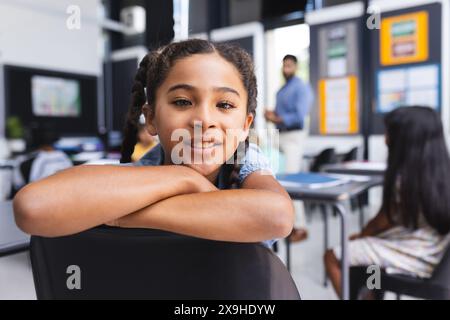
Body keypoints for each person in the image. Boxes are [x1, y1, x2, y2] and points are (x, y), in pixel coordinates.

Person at [13, 39, 295, 249]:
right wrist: (183, 177)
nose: (204, 120)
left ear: (245, 126)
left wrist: (126, 215)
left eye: (224, 104)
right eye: (182, 101)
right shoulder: (148, 165)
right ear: (151, 119)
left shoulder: (244, 158)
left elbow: (278, 217)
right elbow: (32, 207)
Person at [324, 106, 450, 299]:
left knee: (333, 256)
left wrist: (361, 236)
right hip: (436, 253)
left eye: (389, 133)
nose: (385, 139)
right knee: (371, 258)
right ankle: (371, 296)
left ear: (407, 140)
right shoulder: (439, 173)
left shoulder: (404, 179)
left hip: (416, 256)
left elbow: (381, 222)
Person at [265, 54, 314, 243]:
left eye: (289, 66)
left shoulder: (301, 88)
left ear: (295, 67)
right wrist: (272, 115)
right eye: (284, 65)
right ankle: (280, 222)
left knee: (292, 180)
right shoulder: (281, 90)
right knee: (273, 178)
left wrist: (278, 118)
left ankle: (300, 227)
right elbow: (281, 114)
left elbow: (299, 116)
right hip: (279, 136)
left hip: (293, 137)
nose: (286, 69)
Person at [12, 123, 72, 191]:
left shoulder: (25, 162)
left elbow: (18, 188)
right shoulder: (65, 158)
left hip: (37, 199)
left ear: (32, 139)